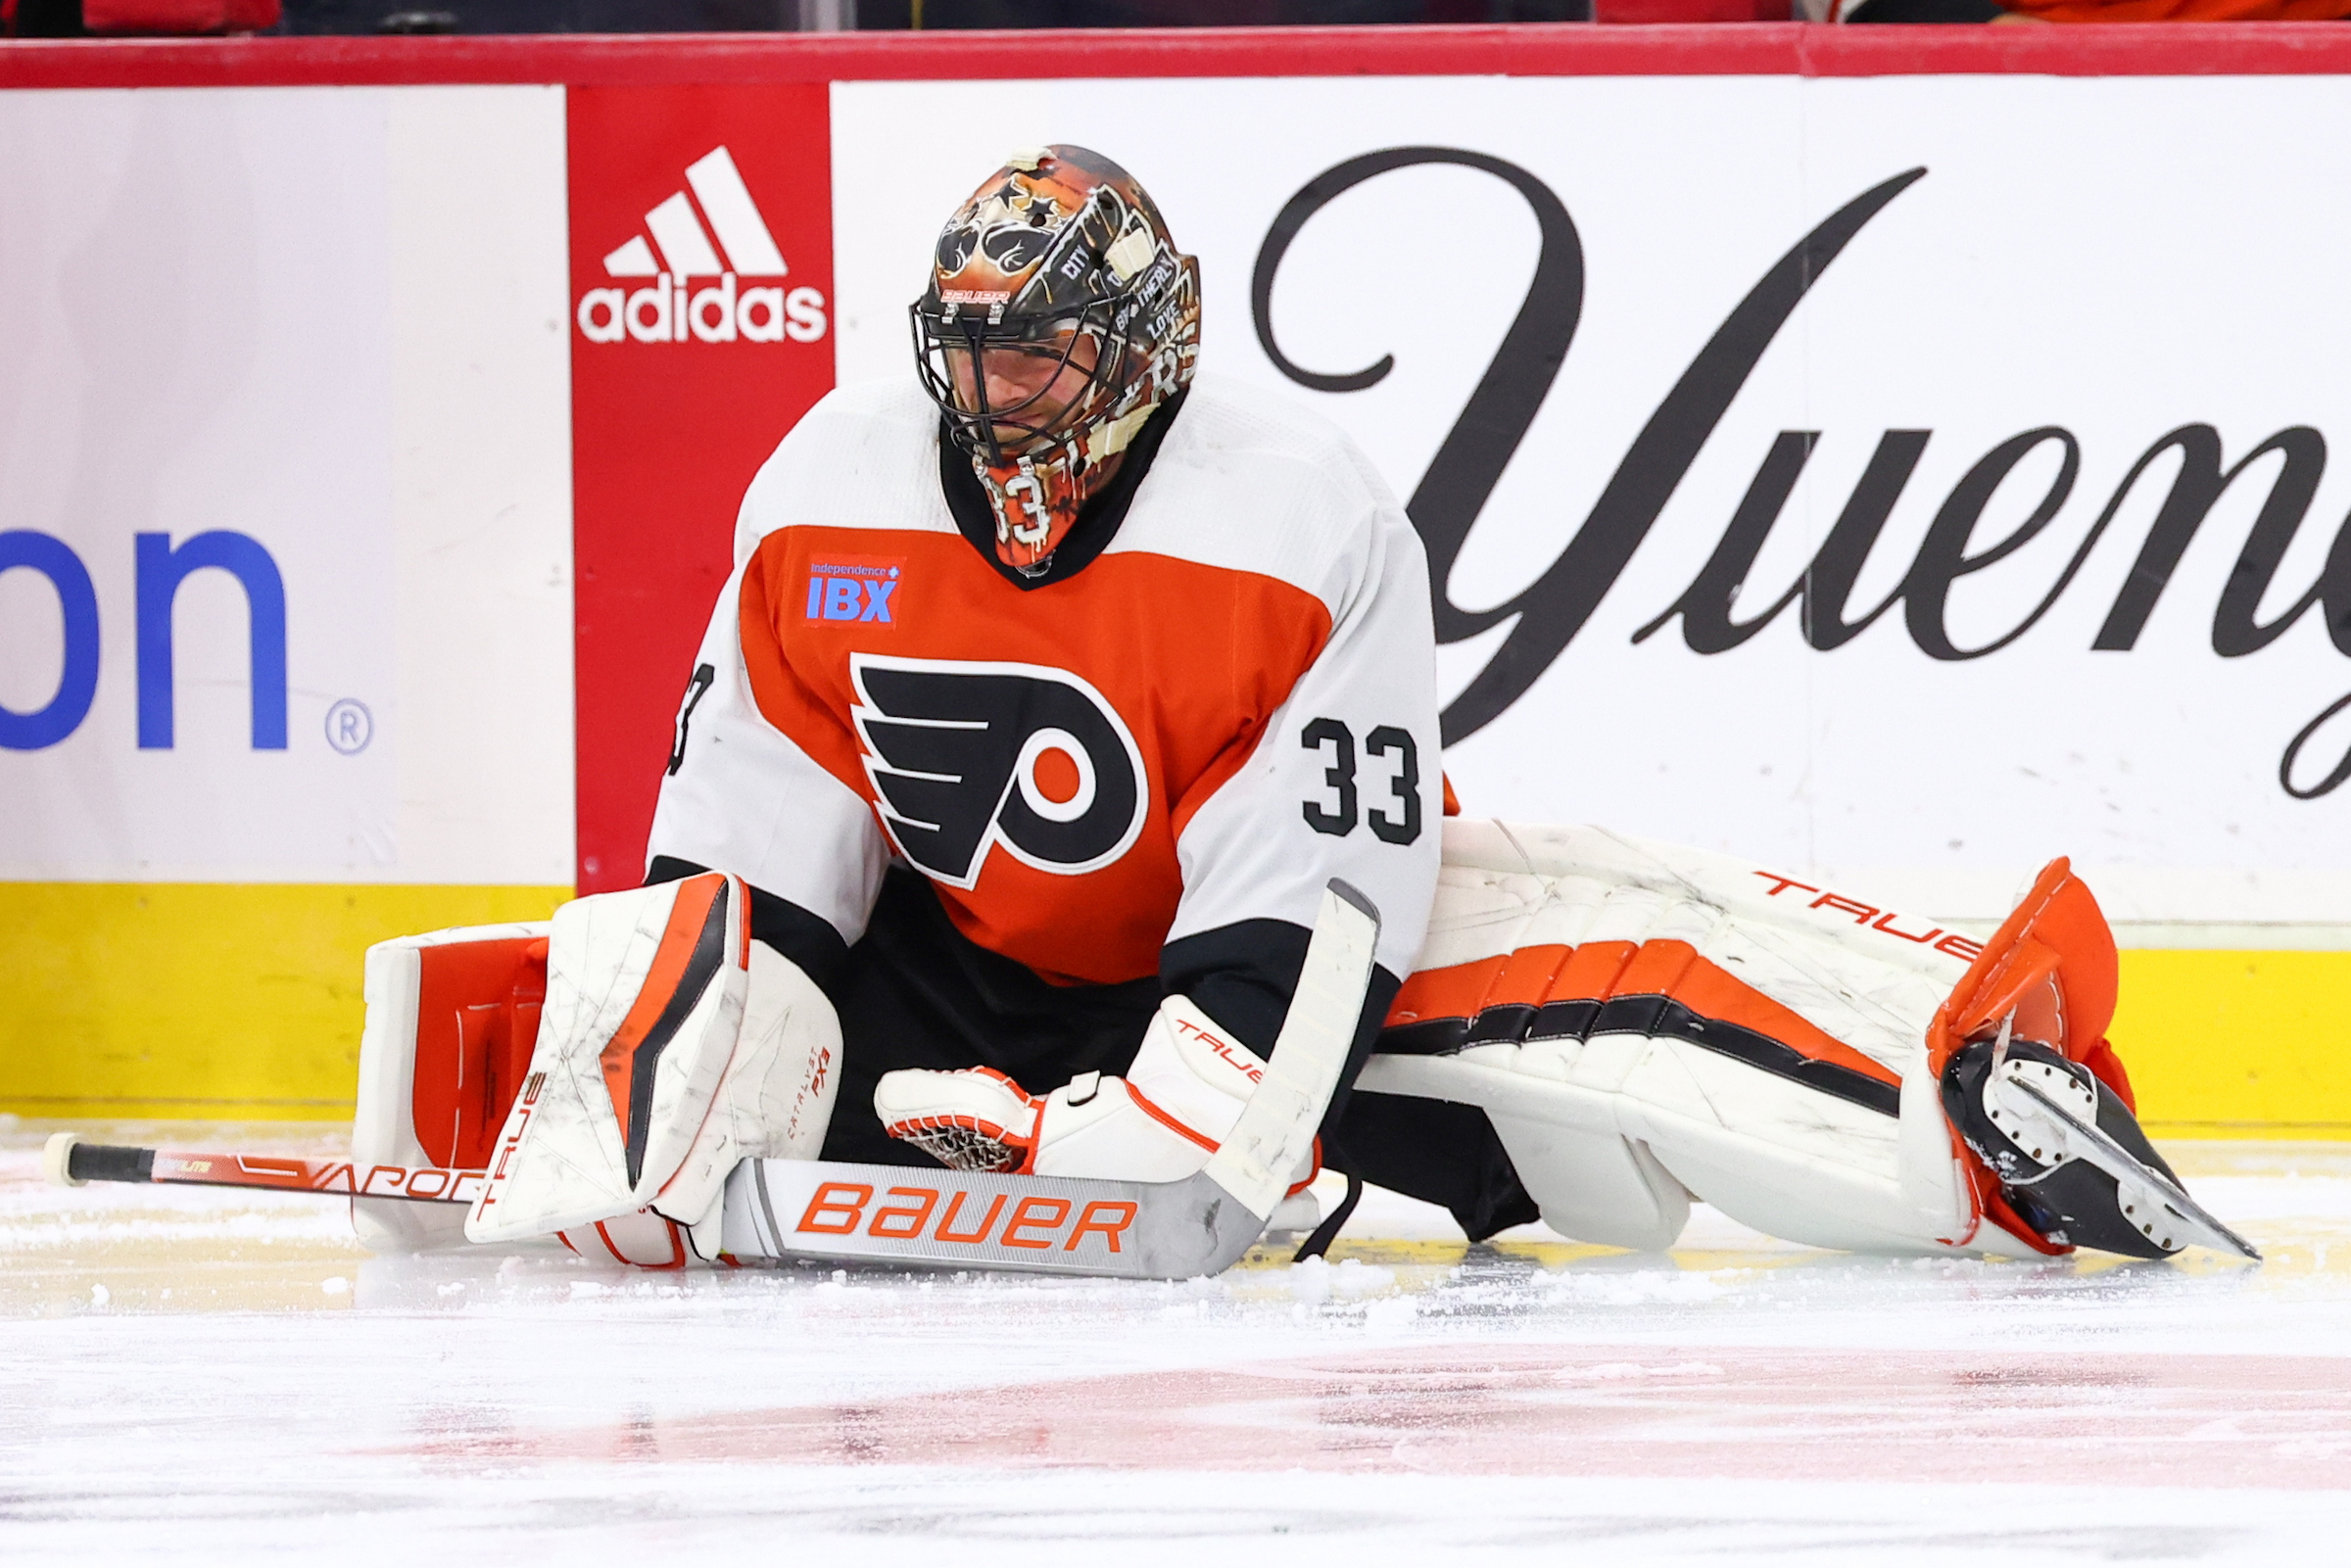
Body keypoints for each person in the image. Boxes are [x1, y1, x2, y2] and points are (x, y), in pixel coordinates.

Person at [360, 145, 2245, 1271]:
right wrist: (663, 1096)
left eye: (1041, 353)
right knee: (763, 1074)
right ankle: (1006, 1102)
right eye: (972, 353)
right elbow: (747, 884)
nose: (997, 398)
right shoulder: (820, 493)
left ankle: (1984, 1116)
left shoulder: (1297, 514)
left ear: (1145, 345)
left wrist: (1176, 1133)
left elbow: (1308, 927)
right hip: (965, 963)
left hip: (1259, 964)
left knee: (1617, 1041)